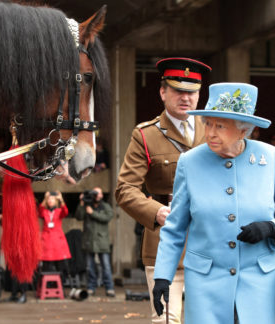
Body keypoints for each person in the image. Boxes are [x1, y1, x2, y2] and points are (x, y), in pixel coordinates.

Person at [152, 82, 275, 324]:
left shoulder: (270, 157)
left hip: (259, 283)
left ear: (244, 130)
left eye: (220, 126)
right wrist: (163, 276)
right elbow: (175, 228)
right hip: (205, 283)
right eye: (208, 124)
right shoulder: (189, 162)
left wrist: (271, 228)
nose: (210, 133)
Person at [115, 57, 212, 324]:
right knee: (167, 320)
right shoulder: (146, 135)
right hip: (166, 241)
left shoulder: (214, 129)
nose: (186, 97)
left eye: (192, 91)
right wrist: (157, 212)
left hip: (211, 242)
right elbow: (125, 189)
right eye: (178, 90)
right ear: (162, 92)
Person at [75, 187, 115, 297]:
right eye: (95, 193)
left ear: (101, 195)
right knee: (89, 267)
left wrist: (93, 213)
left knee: (106, 266)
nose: (97, 195)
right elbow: (79, 216)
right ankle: (91, 287)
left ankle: (109, 288)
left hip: (102, 241)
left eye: (99, 193)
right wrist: (82, 202)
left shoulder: (105, 206)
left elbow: (108, 217)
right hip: (89, 240)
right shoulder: (87, 205)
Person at [38, 191, 71, 282]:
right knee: (46, 262)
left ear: (56, 200)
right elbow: (40, 210)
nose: (50, 200)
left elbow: (65, 212)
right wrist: (45, 197)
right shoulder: (44, 211)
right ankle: (47, 283)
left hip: (57, 239)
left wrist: (61, 200)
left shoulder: (59, 210)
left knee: (59, 262)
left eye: (52, 198)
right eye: (49, 199)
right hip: (46, 239)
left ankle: (61, 282)